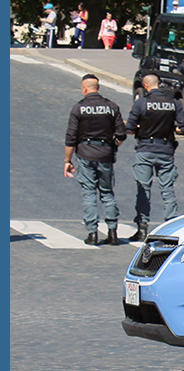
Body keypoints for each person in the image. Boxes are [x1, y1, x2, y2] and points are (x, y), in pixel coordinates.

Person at [126, 74, 184, 242]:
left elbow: (130, 128)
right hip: (166, 149)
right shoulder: (173, 103)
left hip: (145, 149)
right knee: (167, 189)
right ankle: (171, 225)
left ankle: (142, 228)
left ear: (146, 85)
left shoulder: (141, 103)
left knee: (143, 188)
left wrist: (141, 127)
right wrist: (172, 128)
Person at [64, 74, 127, 245]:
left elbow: (71, 137)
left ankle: (92, 233)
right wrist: (112, 147)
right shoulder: (112, 107)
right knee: (107, 193)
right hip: (105, 153)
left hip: (85, 153)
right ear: (98, 88)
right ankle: (113, 232)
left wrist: (67, 161)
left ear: (84, 88)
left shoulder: (79, 108)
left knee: (89, 193)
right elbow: (122, 134)